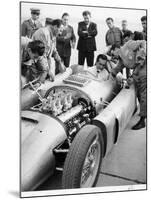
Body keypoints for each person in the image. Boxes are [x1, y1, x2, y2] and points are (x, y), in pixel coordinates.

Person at [129, 50, 147, 130]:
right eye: (138, 59)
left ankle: (142, 121)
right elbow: (134, 73)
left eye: (140, 59)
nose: (139, 62)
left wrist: (135, 79)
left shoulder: (145, 69)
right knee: (141, 96)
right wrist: (133, 78)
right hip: (141, 83)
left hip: (145, 84)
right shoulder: (139, 65)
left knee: (144, 98)